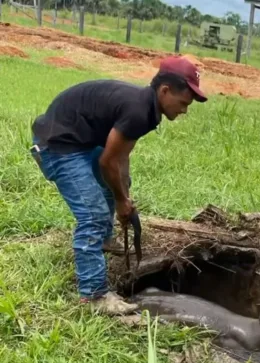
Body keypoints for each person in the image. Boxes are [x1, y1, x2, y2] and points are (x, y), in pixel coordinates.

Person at [30, 56, 208, 315]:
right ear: (165, 91)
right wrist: (121, 201)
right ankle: (94, 296)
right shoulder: (139, 111)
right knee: (93, 214)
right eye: (183, 103)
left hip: (78, 142)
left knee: (118, 183)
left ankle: (102, 240)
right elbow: (108, 161)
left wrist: (125, 194)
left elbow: (120, 158)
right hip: (57, 146)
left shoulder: (146, 107)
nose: (184, 110)